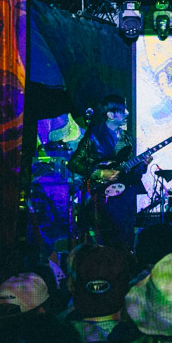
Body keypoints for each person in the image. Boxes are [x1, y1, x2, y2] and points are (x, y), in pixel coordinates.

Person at [67, 94, 145, 250]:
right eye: (122, 110)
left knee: (126, 242)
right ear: (110, 115)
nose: (127, 113)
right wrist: (100, 174)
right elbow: (74, 163)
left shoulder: (127, 137)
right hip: (102, 198)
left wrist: (143, 164)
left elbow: (131, 171)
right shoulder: (94, 135)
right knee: (106, 243)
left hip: (126, 198)